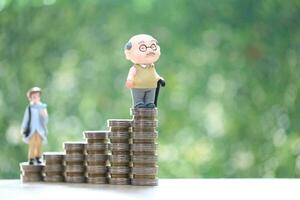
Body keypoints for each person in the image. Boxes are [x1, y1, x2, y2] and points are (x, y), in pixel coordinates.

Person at [124, 34, 165, 108]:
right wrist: (129, 80)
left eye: (153, 46)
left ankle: (149, 103)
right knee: (139, 100)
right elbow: (131, 75)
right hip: (138, 87)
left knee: (150, 101)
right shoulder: (135, 68)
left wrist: (160, 79)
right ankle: (138, 104)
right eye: (143, 48)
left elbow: (155, 75)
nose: (149, 50)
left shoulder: (152, 67)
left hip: (152, 87)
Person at [21, 87, 48, 165]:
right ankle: (31, 158)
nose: (35, 98)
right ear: (30, 98)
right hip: (32, 130)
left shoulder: (42, 107)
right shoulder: (29, 108)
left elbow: (45, 119)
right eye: (33, 97)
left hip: (40, 130)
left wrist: (43, 113)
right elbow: (26, 119)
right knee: (32, 144)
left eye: (37, 96)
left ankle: (38, 157)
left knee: (39, 144)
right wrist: (23, 127)